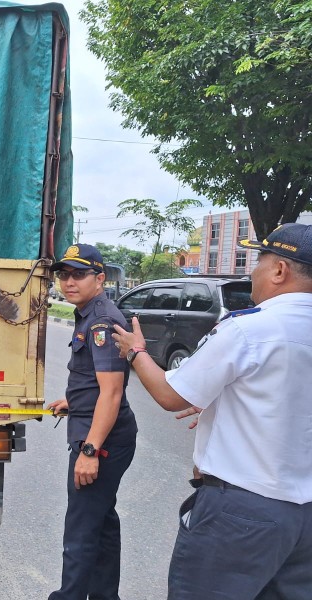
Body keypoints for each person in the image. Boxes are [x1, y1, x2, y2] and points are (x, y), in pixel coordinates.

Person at [112, 223, 312, 600]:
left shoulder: (251, 330)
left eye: (258, 260)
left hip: (242, 513)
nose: (251, 271)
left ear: (280, 270)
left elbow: (173, 395)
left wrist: (136, 352)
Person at [46, 244, 137, 600]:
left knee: (81, 527)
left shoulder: (101, 321)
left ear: (99, 279)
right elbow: (98, 382)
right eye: (64, 274)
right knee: (101, 520)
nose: (69, 282)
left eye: (79, 274)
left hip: (103, 439)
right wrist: (76, 400)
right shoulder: (88, 313)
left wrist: (90, 450)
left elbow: (112, 392)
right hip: (102, 429)